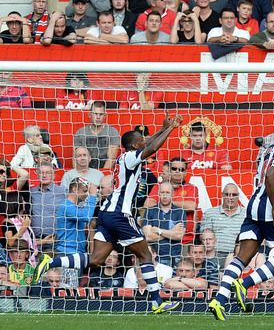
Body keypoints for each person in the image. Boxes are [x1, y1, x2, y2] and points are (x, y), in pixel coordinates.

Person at [35, 114, 184, 314]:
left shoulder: (127, 157)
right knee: (146, 255)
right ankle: (158, 301)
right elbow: (152, 148)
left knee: (96, 259)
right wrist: (170, 130)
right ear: (133, 145)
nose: (144, 141)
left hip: (106, 213)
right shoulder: (130, 158)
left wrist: (163, 128)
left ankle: (50, 262)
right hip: (119, 215)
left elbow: (148, 143)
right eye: (140, 140)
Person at [208, 117, 274, 320]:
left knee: (242, 257)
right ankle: (244, 284)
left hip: (253, 208)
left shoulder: (268, 150)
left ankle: (219, 299)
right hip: (270, 211)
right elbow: (271, 175)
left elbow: (269, 177)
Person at [140, 181, 185, 268]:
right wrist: (172, 232)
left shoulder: (180, 211)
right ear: (158, 193)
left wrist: (158, 230)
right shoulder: (150, 211)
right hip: (155, 256)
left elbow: (179, 236)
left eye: (167, 192)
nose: (165, 195)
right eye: (162, 192)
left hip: (175, 257)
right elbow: (148, 237)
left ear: (173, 194)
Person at [200, 183, 246, 265]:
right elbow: (204, 237)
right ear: (222, 195)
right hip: (214, 255)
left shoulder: (246, 215)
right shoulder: (210, 213)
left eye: (234, 195)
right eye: (227, 194)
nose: (230, 197)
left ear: (238, 196)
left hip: (238, 256)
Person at [55, 177, 97, 255]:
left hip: (76, 252)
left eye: (88, 191)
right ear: (74, 190)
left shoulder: (75, 207)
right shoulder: (66, 206)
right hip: (67, 252)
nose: (86, 194)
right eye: (85, 191)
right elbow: (86, 216)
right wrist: (92, 195)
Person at [73, 102, 121, 169]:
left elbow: (111, 159)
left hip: (105, 172)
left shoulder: (112, 132)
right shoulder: (80, 133)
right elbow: (76, 159)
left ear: (105, 116)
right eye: (95, 114)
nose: (98, 117)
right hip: (85, 171)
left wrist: (101, 175)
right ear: (89, 115)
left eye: (101, 114)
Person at [30, 163, 65, 252]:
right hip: (35, 241)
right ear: (37, 175)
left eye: (48, 173)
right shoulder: (31, 192)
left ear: (53, 175)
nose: (44, 175)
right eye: (41, 173)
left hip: (54, 241)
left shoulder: (63, 192)